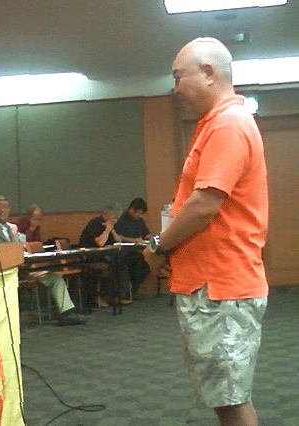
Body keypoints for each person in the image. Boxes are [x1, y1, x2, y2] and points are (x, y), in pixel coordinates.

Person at [143, 38, 269, 426]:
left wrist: (159, 246)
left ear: (208, 73)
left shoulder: (228, 124)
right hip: (213, 285)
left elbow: (203, 205)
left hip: (220, 287)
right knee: (225, 398)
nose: (175, 88)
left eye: (178, 77)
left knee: (231, 401)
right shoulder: (217, 123)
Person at [0, 196, 85, 326]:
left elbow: (21, 247)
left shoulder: (13, 228)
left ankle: (66, 314)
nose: (2, 210)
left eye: (5, 207)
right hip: (6, 272)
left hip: (26, 268)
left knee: (56, 279)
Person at [78, 203, 127, 308]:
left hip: (104, 256)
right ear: (107, 214)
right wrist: (107, 229)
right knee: (108, 268)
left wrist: (112, 230)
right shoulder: (94, 223)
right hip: (90, 257)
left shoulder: (111, 225)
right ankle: (99, 297)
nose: (115, 221)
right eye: (114, 218)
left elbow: (119, 241)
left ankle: (116, 296)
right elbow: (100, 242)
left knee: (122, 264)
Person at [114, 197, 152, 299]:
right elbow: (118, 236)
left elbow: (145, 234)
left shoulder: (140, 221)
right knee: (135, 264)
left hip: (137, 251)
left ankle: (136, 288)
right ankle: (129, 291)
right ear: (132, 210)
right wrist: (134, 240)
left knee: (148, 262)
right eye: (139, 213)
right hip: (123, 251)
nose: (140, 216)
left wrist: (153, 237)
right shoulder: (121, 220)